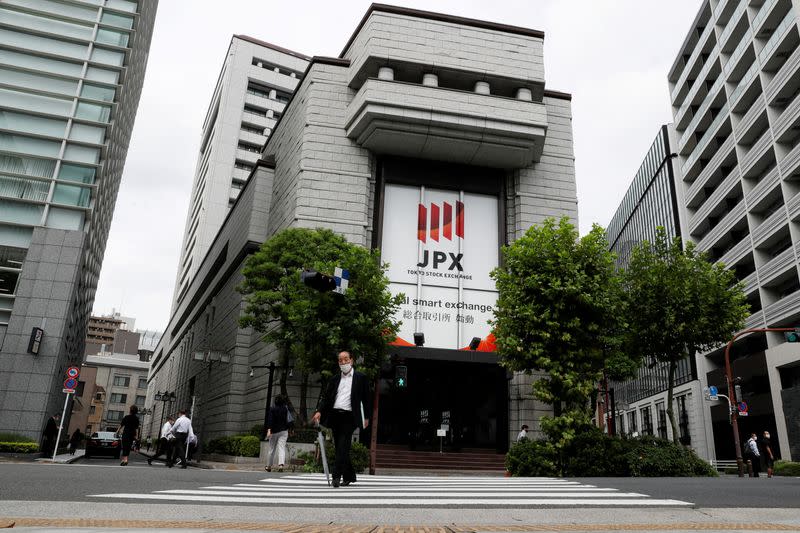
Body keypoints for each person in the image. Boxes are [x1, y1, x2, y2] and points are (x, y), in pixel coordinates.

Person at [312, 351, 372, 488]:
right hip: (335, 416)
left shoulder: (360, 378)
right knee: (341, 447)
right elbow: (327, 398)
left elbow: (366, 399)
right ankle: (349, 476)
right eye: (340, 360)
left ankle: (336, 476)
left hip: (350, 417)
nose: (343, 362)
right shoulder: (334, 379)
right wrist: (319, 411)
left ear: (352, 360)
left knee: (343, 445)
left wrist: (367, 417)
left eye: (346, 359)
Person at [265, 394, 291, 472]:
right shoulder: (285, 409)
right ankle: (280, 465)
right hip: (284, 431)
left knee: (271, 449)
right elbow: (288, 420)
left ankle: (269, 466)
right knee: (281, 448)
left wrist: (269, 430)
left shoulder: (272, 409)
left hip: (274, 432)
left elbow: (270, 420)